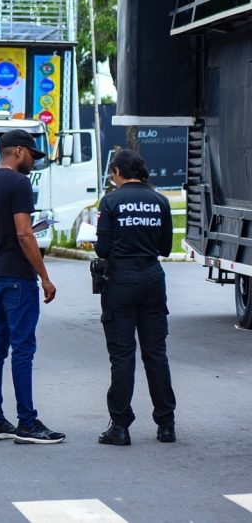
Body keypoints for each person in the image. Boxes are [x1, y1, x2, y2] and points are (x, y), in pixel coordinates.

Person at [0, 129, 65, 445]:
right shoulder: (20, 184)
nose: (33, 161)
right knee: (22, 348)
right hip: (19, 277)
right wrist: (44, 276)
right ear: (18, 151)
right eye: (32, 155)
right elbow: (24, 233)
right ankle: (27, 423)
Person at [94, 149, 176, 446]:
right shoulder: (160, 201)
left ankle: (120, 426)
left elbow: (103, 249)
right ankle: (166, 424)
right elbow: (165, 248)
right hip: (153, 278)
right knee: (156, 354)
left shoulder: (111, 201)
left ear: (117, 171)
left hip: (121, 280)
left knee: (122, 355)